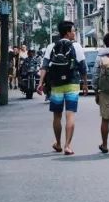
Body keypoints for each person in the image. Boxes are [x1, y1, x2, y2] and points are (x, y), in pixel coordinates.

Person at [37, 21, 87, 155]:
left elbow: (45, 66)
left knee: (57, 116)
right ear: (67, 33)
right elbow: (83, 67)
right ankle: (68, 146)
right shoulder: (76, 46)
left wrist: (40, 83)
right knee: (70, 115)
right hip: (72, 83)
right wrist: (85, 84)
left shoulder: (51, 46)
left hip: (56, 85)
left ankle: (58, 143)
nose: (74, 33)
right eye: (73, 30)